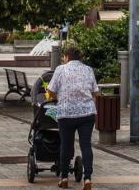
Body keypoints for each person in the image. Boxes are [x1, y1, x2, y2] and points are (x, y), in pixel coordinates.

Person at [47, 44, 98, 190]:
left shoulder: (60, 69)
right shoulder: (88, 70)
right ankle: (87, 179)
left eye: (64, 57)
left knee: (66, 145)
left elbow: (51, 90)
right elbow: (95, 92)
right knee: (86, 145)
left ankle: (64, 177)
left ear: (67, 57)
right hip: (87, 113)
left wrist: (57, 96)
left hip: (66, 114)